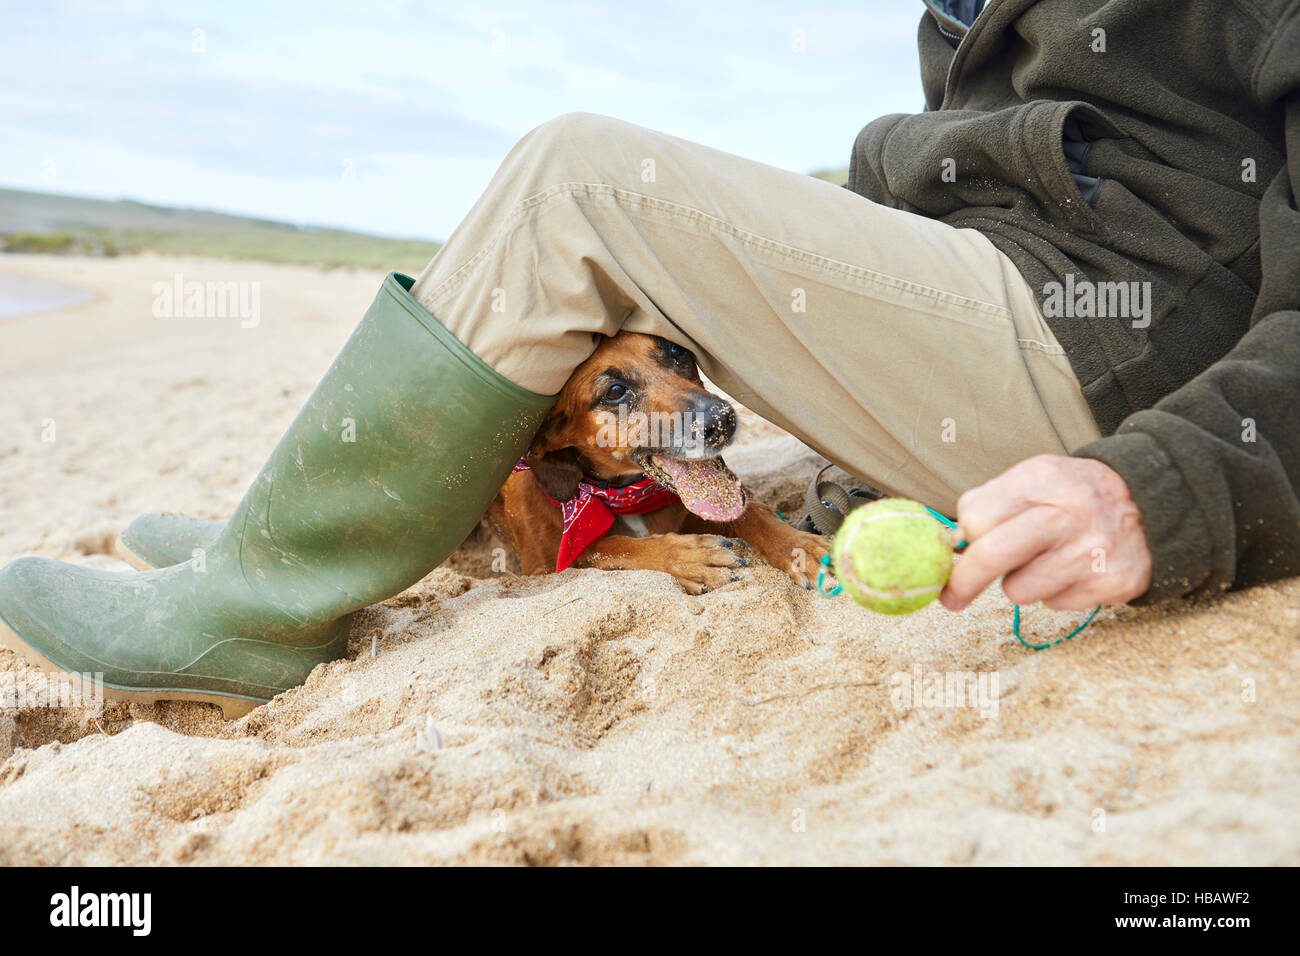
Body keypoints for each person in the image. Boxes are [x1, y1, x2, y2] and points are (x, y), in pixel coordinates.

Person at [1, 0, 1296, 716]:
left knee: (577, 177)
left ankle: (249, 610)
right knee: (651, 409)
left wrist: (1164, 480)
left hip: (1116, 358)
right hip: (1005, 321)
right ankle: (260, 548)